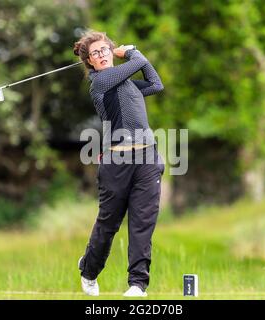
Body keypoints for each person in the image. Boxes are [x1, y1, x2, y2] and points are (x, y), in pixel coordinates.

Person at [73, 30, 164, 297]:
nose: (101, 56)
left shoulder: (128, 84)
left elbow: (156, 84)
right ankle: (89, 269)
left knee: (142, 223)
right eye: (95, 53)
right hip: (117, 162)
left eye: (104, 50)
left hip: (147, 159)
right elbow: (138, 62)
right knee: (109, 223)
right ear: (89, 61)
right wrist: (132, 51)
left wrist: (134, 56)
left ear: (110, 52)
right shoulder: (99, 82)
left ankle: (138, 284)